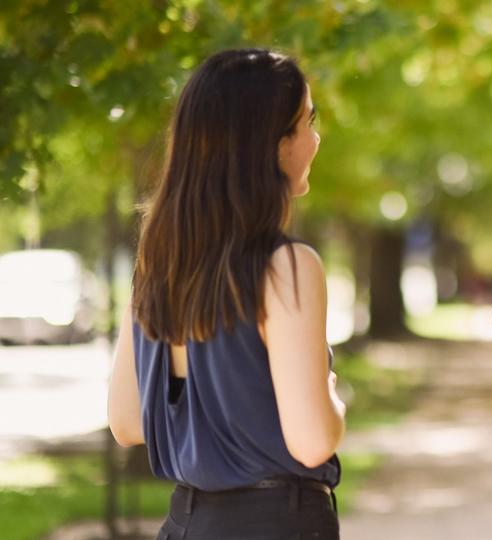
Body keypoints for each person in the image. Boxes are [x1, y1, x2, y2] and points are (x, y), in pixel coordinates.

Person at [107, 48, 345, 539]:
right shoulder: (287, 266)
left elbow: (128, 423)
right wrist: (334, 397)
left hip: (186, 523)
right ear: (272, 144)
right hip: (276, 522)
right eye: (306, 123)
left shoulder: (159, 262)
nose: (316, 140)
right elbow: (313, 442)